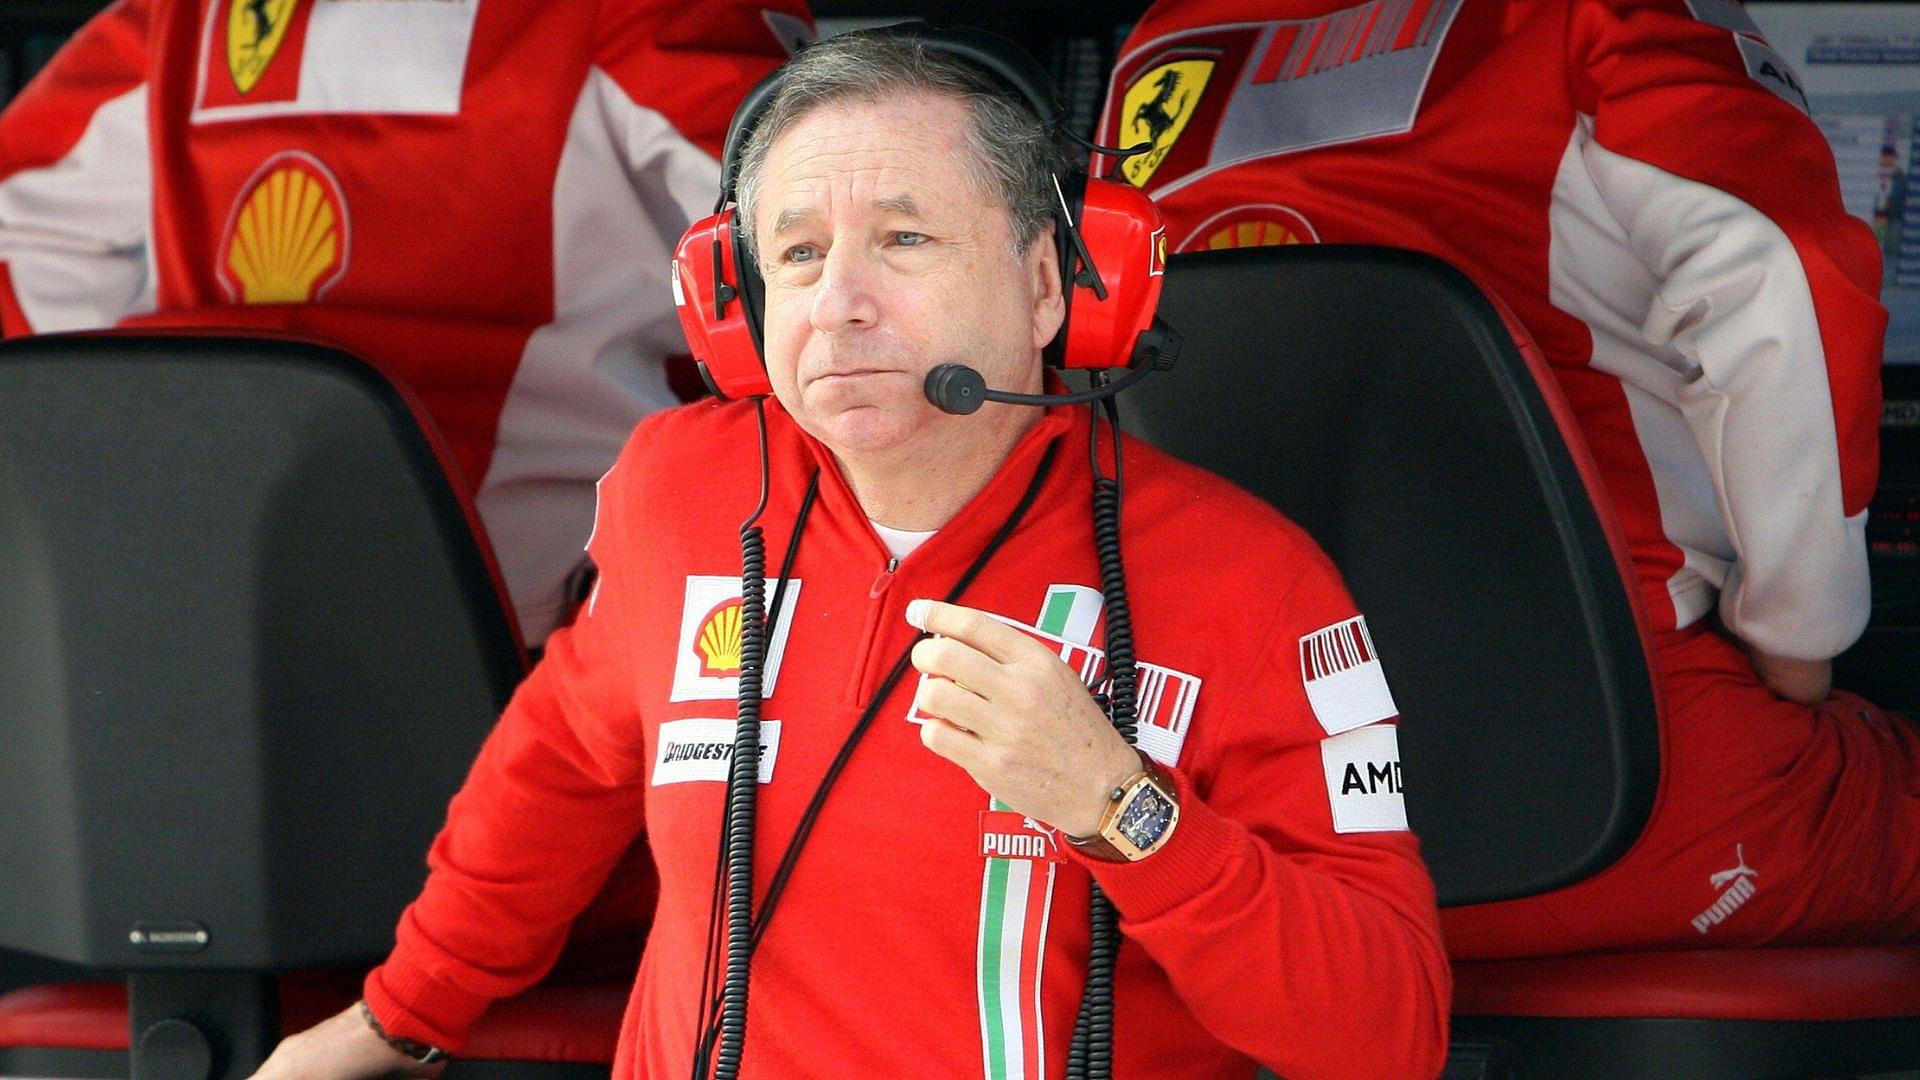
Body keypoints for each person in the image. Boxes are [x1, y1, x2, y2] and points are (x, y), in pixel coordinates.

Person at [250, 27, 1450, 1080]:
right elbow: (559, 770)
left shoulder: (1251, 583)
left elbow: (1384, 1037)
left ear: (1050, 286)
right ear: (741, 300)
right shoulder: (684, 489)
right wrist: (400, 1019)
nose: (840, 303)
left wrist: (1122, 808)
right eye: (799, 253)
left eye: (906, 239)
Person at [1100, 0, 1920, 955]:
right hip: (1644, 796)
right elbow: (1779, 270)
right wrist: (1802, 632)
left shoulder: (1159, 50)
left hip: (1273, 828)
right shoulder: (1606, 22)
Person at [0, 0, 813, 647]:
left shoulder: (176, 25)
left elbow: (25, 277)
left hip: (184, 621)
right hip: (538, 639)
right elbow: (832, 257)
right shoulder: (652, 19)